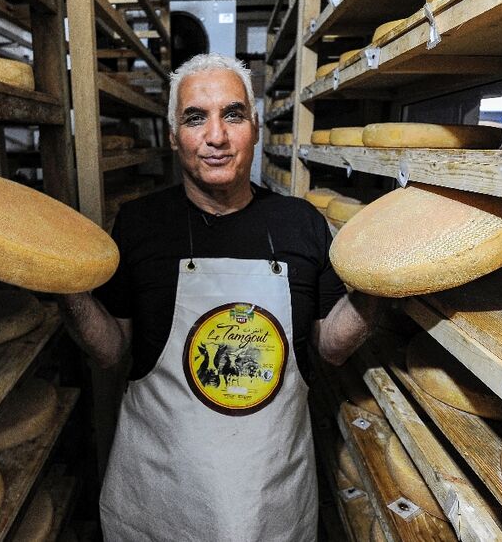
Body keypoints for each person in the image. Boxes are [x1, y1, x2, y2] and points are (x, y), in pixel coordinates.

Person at [60, 53, 382, 541]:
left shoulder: (301, 223)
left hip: (269, 494)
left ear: (254, 128)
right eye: (195, 118)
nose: (216, 136)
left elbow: (332, 347)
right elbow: (110, 349)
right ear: (173, 136)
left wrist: (386, 282)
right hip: (163, 495)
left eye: (233, 114)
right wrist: (62, 285)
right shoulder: (139, 224)